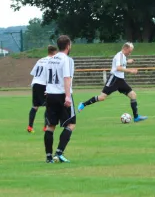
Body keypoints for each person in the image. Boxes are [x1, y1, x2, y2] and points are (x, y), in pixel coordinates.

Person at [77, 42, 148, 122]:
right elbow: (118, 68)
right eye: (129, 51)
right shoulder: (119, 55)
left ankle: (136, 117)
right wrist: (130, 70)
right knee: (102, 97)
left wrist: (128, 61)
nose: (130, 53)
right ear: (125, 49)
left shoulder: (123, 56)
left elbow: (122, 63)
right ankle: (83, 104)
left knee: (133, 95)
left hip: (120, 81)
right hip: (114, 79)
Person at [44, 35, 75, 163]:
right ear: (68, 45)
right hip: (62, 94)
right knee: (71, 124)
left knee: (50, 126)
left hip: (50, 94)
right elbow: (67, 78)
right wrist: (67, 96)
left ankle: (48, 156)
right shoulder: (66, 59)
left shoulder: (50, 59)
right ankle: (59, 153)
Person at [27, 45, 58, 133]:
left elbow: (33, 73)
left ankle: (30, 127)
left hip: (35, 83)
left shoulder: (40, 60)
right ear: (54, 52)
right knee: (48, 106)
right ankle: (46, 127)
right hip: (43, 84)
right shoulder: (52, 61)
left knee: (35, 106)